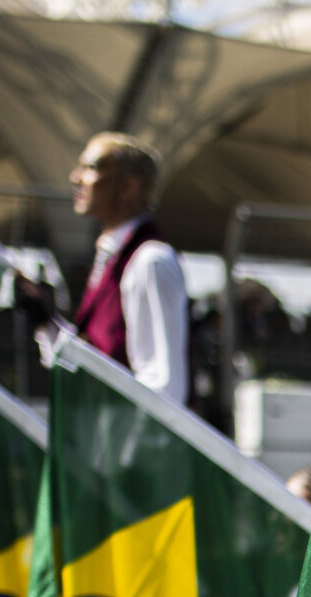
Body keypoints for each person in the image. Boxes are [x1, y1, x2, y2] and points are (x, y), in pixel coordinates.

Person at [64, 133, 188, 403]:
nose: (76, 177)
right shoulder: (113, 256)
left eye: (91, 167)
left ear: (128, 188)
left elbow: (163, 388)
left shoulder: (151, 261)